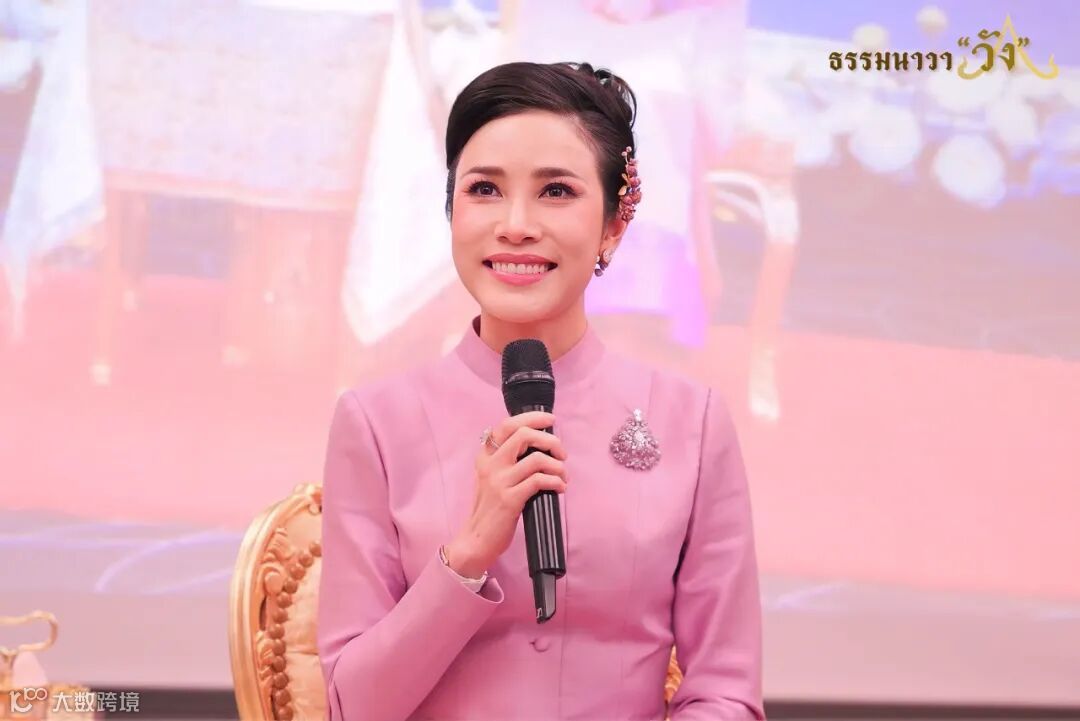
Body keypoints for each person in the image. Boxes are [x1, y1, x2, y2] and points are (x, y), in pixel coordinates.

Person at [317, 60, 765, 721]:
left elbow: (726, 694)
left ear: (613, 225)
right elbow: (353, 707)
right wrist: (468, 554)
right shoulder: (375, 422)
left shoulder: (690, 421)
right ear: (451, 212)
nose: (516, 224)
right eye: (484, 189)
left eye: (556, 191)